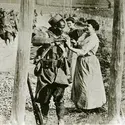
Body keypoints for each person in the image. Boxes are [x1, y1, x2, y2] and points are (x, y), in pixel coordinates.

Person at [34, 14, 70, 125]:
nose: (61, 29)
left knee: (59, 97)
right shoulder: (45, 34)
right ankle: (44, 118)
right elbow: (34, 40)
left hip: (59, 70)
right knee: (45, 97)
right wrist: (50, 40)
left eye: (63, 27)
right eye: (59, 27)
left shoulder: (64, 36)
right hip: (46, 70)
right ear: (53, 26)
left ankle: (61, 119)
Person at [67, 19, 106, 111]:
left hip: (88, 62)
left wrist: (70, 47)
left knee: (87, 84)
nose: (86, 28)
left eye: (88, 26)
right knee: (80, 82)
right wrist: (76, 43)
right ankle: (81, 105)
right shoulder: (86, 36)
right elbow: (81, 45)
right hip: (81, 61)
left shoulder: (93, 38)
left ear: (94, 28)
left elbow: (83, 51)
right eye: (86, 26)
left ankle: (89, 106)